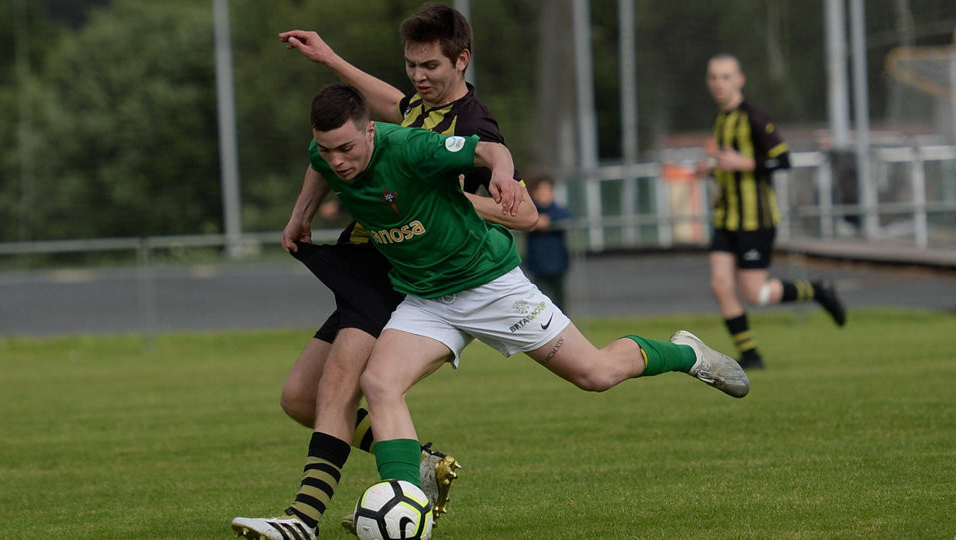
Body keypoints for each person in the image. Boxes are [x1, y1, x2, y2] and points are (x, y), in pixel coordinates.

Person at [302, 83, 749, 511]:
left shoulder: (410, 146)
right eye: (328, 150)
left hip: (489, 284)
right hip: (426, 298)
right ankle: (405, 508)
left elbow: (487, 149)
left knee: (596, 374)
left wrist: (501, 174)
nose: (338, 161)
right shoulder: (324, 155)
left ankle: (686, 354)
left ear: (370, 130)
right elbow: (317, 168)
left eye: (347, 148)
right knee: (379, 383)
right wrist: (298, 217)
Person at [232, 5, 537, 540]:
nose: (417, 77)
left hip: (399, 272)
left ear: (461, 61)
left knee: (338, 390)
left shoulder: (472, 124)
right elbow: (375, 109)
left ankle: (303, 521)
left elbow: (526, 214)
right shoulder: (418, 109)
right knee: (299, 397)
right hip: (365, 262)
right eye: (411, 65)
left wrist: (445, 203)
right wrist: (326, 56)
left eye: (429, 66)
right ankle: (421, 464)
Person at [695, 54, 846, 371]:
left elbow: (783, 159)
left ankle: (816, 291)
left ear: (740, 80)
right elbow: (729, 165)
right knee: (720, 284)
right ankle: (751, 355)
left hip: (756, 220)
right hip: (727, 219)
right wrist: (712, 171)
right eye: (713, 77)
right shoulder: (720, 119)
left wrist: (745, 164)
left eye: (725, 76)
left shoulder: (753, 117)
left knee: (756, 293)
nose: (719, 83)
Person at [524, 173, 572, 309]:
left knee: (560, 302)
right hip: (537, 265)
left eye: (547, 190)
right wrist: (535, 222)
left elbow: (568, 219)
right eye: (540, 190)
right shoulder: (530, 211)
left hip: (558, 265)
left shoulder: (558, 211)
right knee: (540, 303)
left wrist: (549, 221)